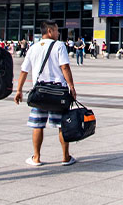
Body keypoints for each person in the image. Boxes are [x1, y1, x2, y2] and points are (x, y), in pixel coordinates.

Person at [14, 20, 77, 167]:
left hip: (40, 93)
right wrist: (72, 87)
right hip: (58, 92)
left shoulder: (33, 48)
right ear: (49, 31)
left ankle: (36, 157)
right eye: (56, 30)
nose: (58, 33)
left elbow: (24, 71)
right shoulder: (59, 46)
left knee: (38, 125)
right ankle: (65, 157)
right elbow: (65, 67)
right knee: (62, 125)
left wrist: (19, 90)